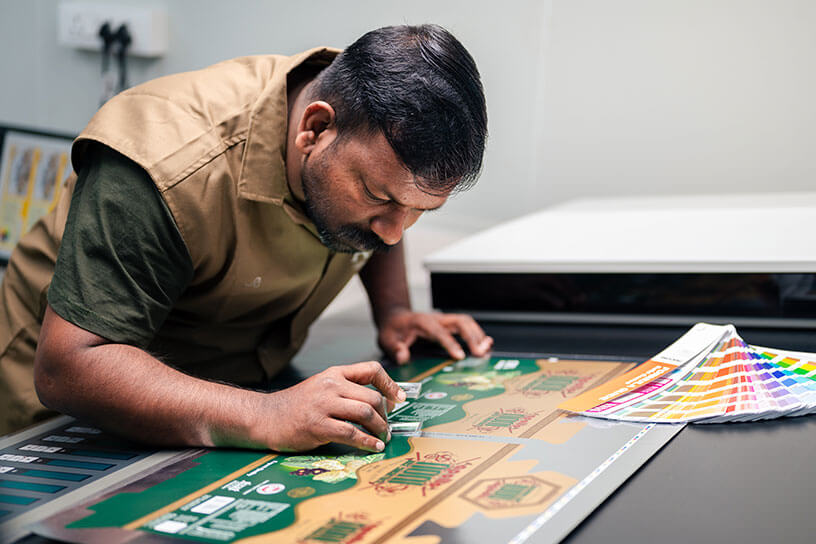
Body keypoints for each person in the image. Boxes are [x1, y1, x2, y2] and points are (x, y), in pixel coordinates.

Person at [0, 24, 492, 452]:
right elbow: (70, 368)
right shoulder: (165, 165)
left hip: (233, 397)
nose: (392, 232)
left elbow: (391, 203)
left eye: (419, 211)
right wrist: (267, 415)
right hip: (62, 426)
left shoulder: (369, 133)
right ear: (315, 128)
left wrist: (395, 312)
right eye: (375, 195)